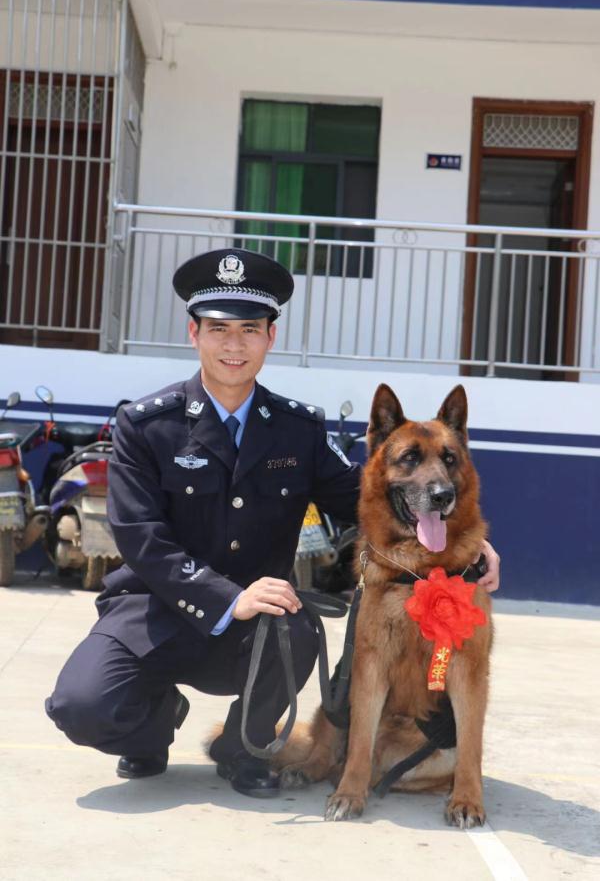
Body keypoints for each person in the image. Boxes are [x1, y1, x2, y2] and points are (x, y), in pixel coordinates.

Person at [45, 247, 501, 799]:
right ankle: (153, 723)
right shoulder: (146, 426)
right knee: (81, 706)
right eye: (219, 329)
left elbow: (371, 501)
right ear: (194, 334)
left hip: (259, 625)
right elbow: (141, 538)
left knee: (298, 627)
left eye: (250, 330)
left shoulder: (297, 430)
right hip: (154, 611)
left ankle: (245, 749)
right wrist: (226, 597)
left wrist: (463, 548)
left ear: (270, 337)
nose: (234, 345)